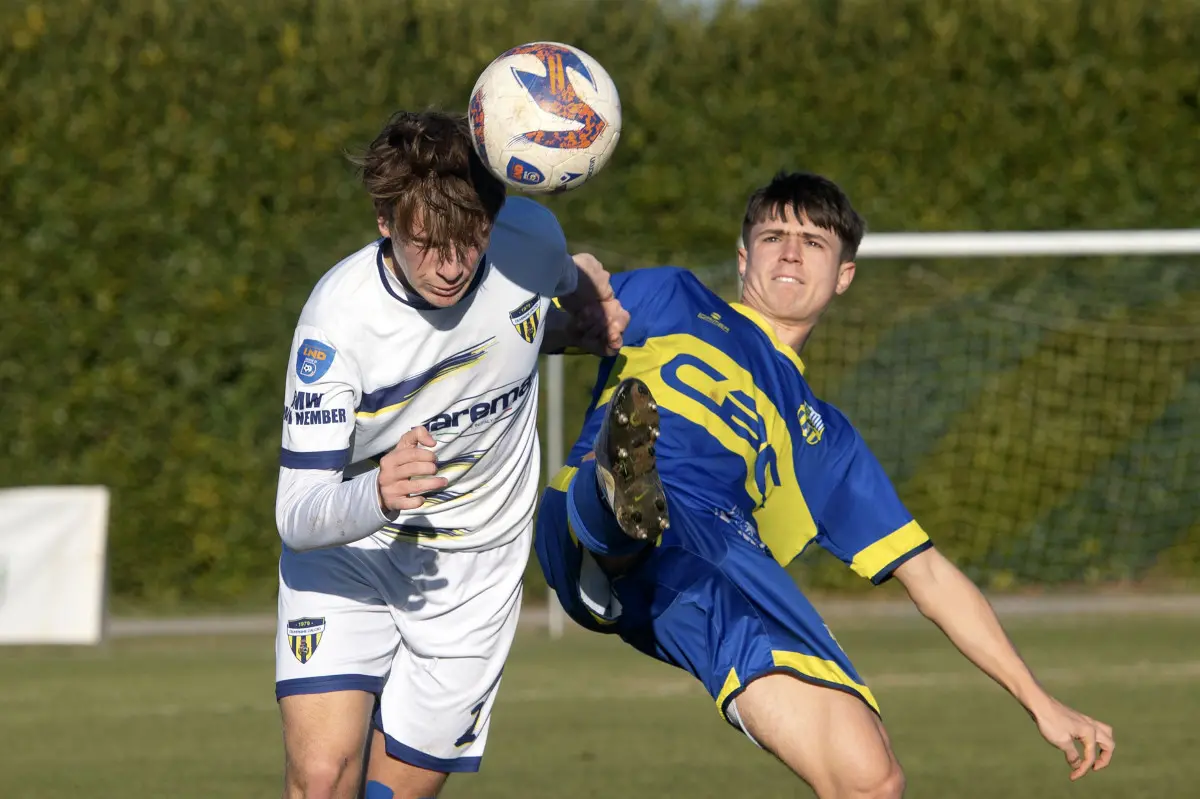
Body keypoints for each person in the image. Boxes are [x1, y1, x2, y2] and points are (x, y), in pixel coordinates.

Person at [534, 171, 1115, 798]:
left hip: (718, 561)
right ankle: (616, 504)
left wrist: (1040, 701)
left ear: (844, 275)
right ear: (742, 255)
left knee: (871, 777)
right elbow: (522, 325)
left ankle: (619, 521)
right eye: (774, 235)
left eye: (813, 242)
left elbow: (930, 576)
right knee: (635, 499)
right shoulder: (669, 294)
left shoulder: (826, 441)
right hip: (600, 516)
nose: (789, 251)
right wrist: (565, 282)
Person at [273, 109, 629, 799]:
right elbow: (297, 511)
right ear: (384, 222)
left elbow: (535, 306)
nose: (451, 265)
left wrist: (585, 311)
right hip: (352, 553)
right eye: (426, 242)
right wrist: (374, 492)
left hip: (473, 568)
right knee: (321, 778)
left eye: (469, 240)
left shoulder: (526, 240)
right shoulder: (336, 326)